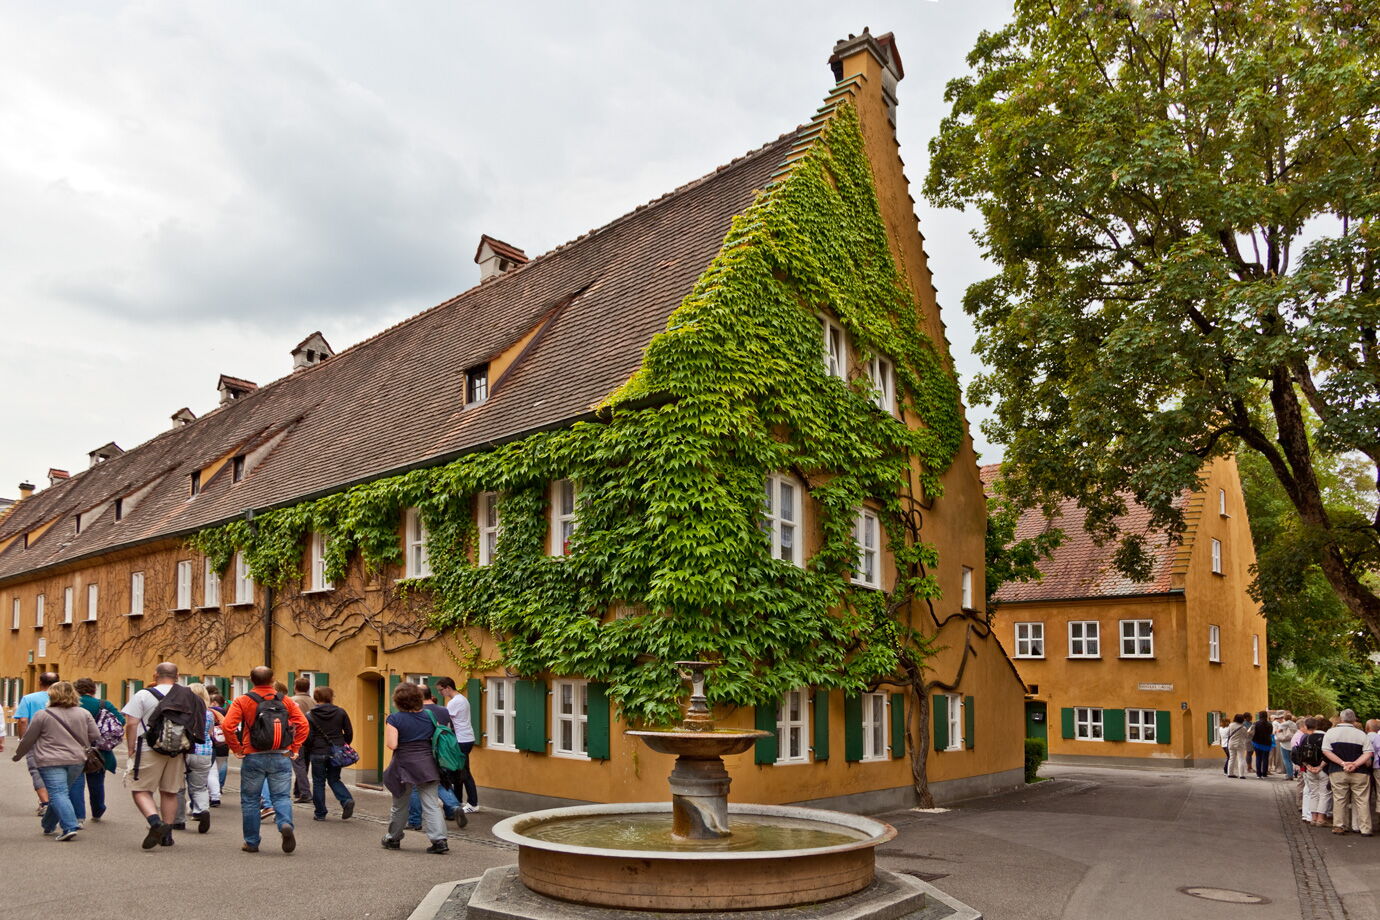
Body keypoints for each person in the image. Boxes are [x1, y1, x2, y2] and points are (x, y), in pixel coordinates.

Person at [222, 666, 309, 853]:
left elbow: (227, 726)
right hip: (281, 754)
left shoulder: (243, 700)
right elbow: (303, 724)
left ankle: (252, 842)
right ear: (272, 680)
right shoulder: (284, 700)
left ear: (252, 680)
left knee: (250, 800)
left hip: (253, 755)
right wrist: (295, 747)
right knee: (282, 796)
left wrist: (236, 748)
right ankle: (285, 824)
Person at [122, 662, 206, 849]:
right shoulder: (188, 696)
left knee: (141, 789)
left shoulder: (143, 695)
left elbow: (132, 723)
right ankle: (167, 835)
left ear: (155, 675)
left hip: (147, 748)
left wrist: (130, 747)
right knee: (170, 791)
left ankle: (155, 822)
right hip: (176, 750)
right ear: (177, 676)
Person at [10, 680, 99, 841]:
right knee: (60, 793)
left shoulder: (42, 715)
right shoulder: (83, 713)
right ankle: (48, 824)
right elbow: (95, 736)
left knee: (58, 792)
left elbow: (29, 739)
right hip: (76, 760)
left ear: (51, 696)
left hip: (49, 760)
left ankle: (69, 826)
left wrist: (18, 755)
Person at [381, 681, 449, 854]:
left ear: (398, 700)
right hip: (427, 764)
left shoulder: (395, 719)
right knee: (432, 804)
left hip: (403, 765)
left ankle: (393, 838)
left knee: (400, 804)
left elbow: (392, 745)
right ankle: (439, 840)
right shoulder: (429, 716)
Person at [407, 684, 464, 829]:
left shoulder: (418, 713)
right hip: (441, 754)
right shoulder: (444, 710)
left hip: (423, 753)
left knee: (415, 786)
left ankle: (414, 821)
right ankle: (453, 807)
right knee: (441, 782)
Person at [75, 678, 124, 822]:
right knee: (96, 782)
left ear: (76, 690)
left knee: (76, 782)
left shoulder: (72, 704)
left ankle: (78, 814)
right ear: (94, 689)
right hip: (98, 749)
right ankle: (98, 810)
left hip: (74, 747)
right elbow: (121, 721)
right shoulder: (103, 704)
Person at [304, 685, 356, 821]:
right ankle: (346, 800)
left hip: (317, 751)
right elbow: (349, 732)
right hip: (336, 751)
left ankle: (320, 813)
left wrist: (310, 749)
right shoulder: (340, 712)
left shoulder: (310, 715)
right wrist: (342, 744)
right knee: (334, 779)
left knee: (318, 782)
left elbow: (308, 737)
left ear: (315, 698)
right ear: (331, 697)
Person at [15, 671, 60, 817]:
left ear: (40, 683)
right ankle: (58, 802)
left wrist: (23, 740)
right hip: (59, 740)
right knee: (57, 770)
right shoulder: (63, 699)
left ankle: (46, 803)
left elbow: (22, 720)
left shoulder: (29, 698)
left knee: (36, 770)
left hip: (35, 740)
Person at [1322, 708, 1373, 836]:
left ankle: (1339, 826)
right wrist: (1355, 764)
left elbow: (1326, 751)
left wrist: (1342, 763)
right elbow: (1368, 753)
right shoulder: (1361, 734)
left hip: (1337, 771)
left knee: (1339, 799)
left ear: (1341, 718)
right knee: (1362, 800)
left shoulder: (1331, 733)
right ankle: (1365, 828)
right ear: (1354, 719)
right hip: (1360, 772)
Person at [175, 683, 217, 834]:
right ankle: (202, 810)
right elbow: (210, 732)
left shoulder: (181, 712)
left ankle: (178, 820)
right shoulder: (209, 714)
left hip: (183, 751)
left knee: (178, 787)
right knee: (199, 787)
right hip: (204, 752)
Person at [437, 676, 479, 813]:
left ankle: (472, 803)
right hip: (466, 738)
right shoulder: (462, 699)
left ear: (448, 688)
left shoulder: (454, 702)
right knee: (458, 772)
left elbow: (445, 720)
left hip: (461, 740)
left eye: (441, 690)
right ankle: (458, 801)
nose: (440, 693)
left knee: (463, 773)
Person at [290, 676, 316, 803]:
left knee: (298, 764)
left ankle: (305, 792)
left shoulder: (292, 701)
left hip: (297, 736)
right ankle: (298, 790)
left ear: (295, 687)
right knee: (304, 764)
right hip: (311, 736)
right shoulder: (313, 702)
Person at [1250, 710, 1275, 779]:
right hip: (1267, 743)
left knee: (1258, 758)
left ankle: (1258, 774)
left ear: (1260, 716)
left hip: (1257, 742)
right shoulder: (1270, 724)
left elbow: (1253, 733)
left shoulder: (1256, 723)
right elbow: (1270, 733)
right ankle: (1264, 773)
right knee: (1265, 758)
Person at [1225, 713, 1250, 778]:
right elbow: (1246, 736)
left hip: (1231, 744)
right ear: (1242, 720)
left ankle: (1230, 773)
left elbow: (1228, 733)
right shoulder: (1243, 728)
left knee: (1231, 759)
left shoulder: (1231, 725)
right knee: (1241, 759)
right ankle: (1241, 775)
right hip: (1240, 744)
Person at [1275, 712, 1298, 781]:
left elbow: (1278, 731)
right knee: (1292, 760)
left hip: (1284, 744)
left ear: (1284, 718)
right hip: (1293, 744)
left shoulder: (1283, 724)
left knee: (1286, 759)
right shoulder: (1295, 724)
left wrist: (1277, 732)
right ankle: (1293, 773)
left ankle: (1289, 775)